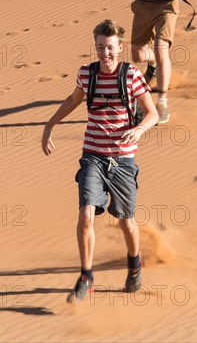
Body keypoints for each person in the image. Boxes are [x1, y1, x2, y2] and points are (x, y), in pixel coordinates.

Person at [41, 19, 159, 302]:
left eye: (109, 48)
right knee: (85, 215)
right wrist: (50, 125)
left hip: (123, 160)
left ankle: (134, 263)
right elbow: (72, 100)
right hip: (92, 155)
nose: (104, 53)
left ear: (119, 48)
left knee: (125, 221)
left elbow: (152, 113)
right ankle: (86, 276)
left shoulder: (131, 75)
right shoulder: (86, 74)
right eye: (99, 47)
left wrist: (139, 129)